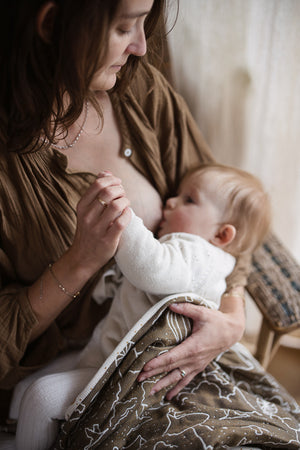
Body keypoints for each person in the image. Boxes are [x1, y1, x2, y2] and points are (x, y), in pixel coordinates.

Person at [2, 1, 298, 449]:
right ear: (50, 23)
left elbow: (226, 221)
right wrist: (79, 262)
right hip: (79, 364)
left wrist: (232, 319)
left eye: (145, 22)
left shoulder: (139, 91)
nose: (142, 46)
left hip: (170, 353)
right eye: (124, 27)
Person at [12, 162, 272, 450]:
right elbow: (144, 284)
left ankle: (30, 437)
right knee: (31, 384)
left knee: (40, 396)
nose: (170, 201)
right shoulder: (187, 256)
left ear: (222, 235)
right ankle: (18, 430)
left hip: (128, 378)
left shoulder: (200, 256)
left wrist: (123, 216)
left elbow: (151, 268)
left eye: (189, 199)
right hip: (106, 355)